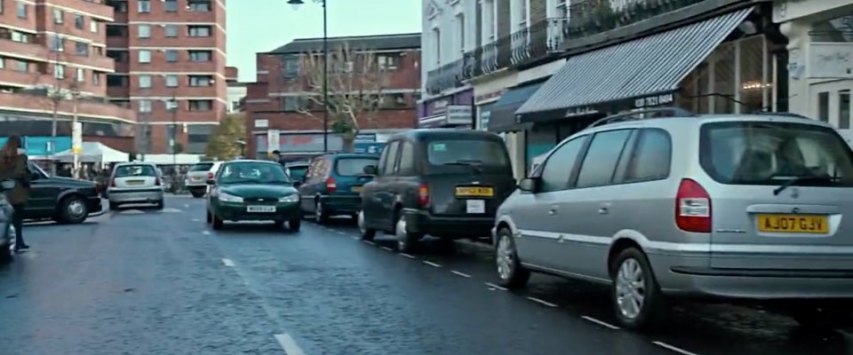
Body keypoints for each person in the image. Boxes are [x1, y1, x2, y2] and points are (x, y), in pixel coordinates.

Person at [0, 135, 31, 252]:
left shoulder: (1, 155)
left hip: (3, 190)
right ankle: (18, 242)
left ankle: (13, 241)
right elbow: (21, 173)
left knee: (7, 219)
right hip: (17, 190)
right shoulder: (21, 157)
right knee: (18, 219)